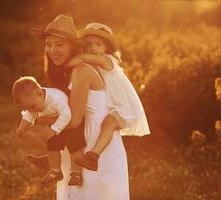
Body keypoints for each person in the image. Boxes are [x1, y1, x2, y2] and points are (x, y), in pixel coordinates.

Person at [37, 14, 130, 199]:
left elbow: (73, 119)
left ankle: (50, 160)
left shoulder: (81, 70)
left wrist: (41, 119)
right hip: (79, 141)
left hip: (92, 143)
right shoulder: (72, 70)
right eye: (49, 44)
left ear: (73, 46)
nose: (52, 50)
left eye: (59, 44)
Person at [66, 23, 151, 171]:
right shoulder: (96, 62)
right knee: (106, 124)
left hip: (125, 107)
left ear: (106, 48)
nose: (93, 48)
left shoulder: (106, 60)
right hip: (115, 105)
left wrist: (65, 65)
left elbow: (82, 58)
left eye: (98, 45)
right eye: (89, 44)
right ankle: (89, 157)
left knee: (108, 125)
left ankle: (93, 155)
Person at [12, 76, 83, 186]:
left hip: (69, 124)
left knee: (74, 146)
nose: (32, 110)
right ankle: (55, 171)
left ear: (39, 92)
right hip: (55, 124)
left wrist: (54, 129)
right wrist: (22, 128)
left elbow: (66, 115)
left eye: (32, 107)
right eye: (29, 108)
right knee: (51, 145)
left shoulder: (56, 98)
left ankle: (76, 173)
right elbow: (28, 115)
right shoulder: (34, 101)